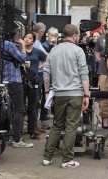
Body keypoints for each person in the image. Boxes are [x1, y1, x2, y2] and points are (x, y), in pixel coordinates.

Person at [42, 24, 90, 168]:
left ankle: (47, 157)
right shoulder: (78, 50)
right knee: (71, 126)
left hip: (58, 93)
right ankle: (67, 160)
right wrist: (86, 94)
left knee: (56, 125)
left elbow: (46, 72)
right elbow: (84, 73)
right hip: (75, 93)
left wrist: (46, 93)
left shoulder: (54, 51)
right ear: (75, 36)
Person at [0, 29, 34, 148]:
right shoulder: (9, 45)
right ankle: (17, 139)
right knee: (19, 110)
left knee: (5, 110)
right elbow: (22, 58)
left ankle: (5, 136)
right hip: (14, 81)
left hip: (3, 81)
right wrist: (22, 45)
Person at [23, 31, 47, 140]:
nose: (27, 39)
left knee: (33, 106)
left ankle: (32, 130)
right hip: (21, 80)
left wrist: (40, 67)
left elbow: (48, 58)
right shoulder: (20, 51)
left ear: (33, 41)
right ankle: (18, 130)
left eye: (29, 38)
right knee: (21, 106)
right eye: (25, 37)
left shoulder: (37, 52)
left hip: (34, 80)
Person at [40, 27, 59, 130]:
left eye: (55, 36)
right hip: (46, 74)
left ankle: (57, 119)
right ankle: (44, 120)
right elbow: (46, 59)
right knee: (45, 96)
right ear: (47, 36)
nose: (53, 38)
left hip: (56, 74)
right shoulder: (43, 46)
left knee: (57, 97)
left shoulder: (58, 46)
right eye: (51, 35)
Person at [33, 22, 50, 132]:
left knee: (42, 98)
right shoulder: (35, 42)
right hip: (37, 74)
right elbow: (48, 56)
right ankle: (34, 124)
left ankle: (37, 123)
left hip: (39, 74)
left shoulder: (37, 42)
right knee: (36, 99)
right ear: (42, 32)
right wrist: (41, 65)